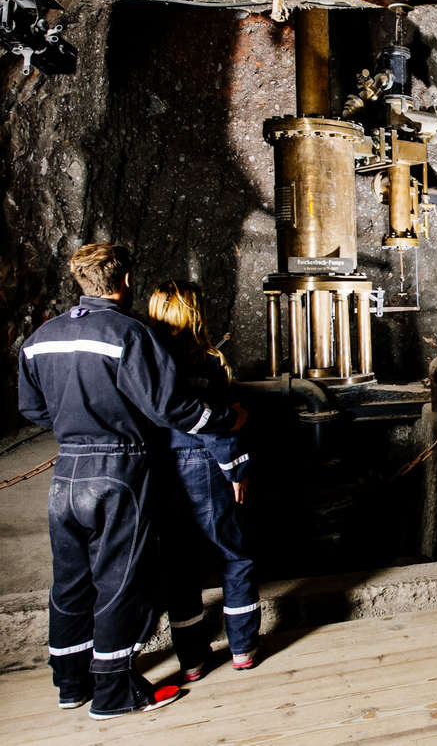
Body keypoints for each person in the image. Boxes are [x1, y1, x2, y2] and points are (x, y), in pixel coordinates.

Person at [17, 244, 244, 719]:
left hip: (66, 473)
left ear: (82, 282)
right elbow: (170, 408)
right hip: (118, 470)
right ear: (123, 283)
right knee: (119, 582)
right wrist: (223, 417)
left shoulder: (42, 337)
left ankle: (70, 683)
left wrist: (74, 424)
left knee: (71, 582)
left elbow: (32, 409)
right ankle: (114, 691)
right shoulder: (130, 333)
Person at [147, 280, 260, 680]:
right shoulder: (204, 360)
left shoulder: (145, 359)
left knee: (180, 566)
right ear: (193, 313)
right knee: (234, 556)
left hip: (160, 468)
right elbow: (214, 424)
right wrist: (236, 469)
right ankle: (243, 648)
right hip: (204, 465)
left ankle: (192, 661)